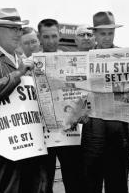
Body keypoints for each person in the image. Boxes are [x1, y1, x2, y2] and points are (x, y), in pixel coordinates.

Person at [0, 8, 44, 193]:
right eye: (11, 28)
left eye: (19, 29)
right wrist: (19, 73)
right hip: (5, 144)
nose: (17, 33)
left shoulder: (22, 59)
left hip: (30, 140)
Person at [80, 11, 129, 193]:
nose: (106, 37)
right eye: (102, 33)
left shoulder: (126, 57)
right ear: (94, 34)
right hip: (93, 128)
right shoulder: (84, 59)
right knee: (91, 181)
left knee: (118, 182)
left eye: (110, 33)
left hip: (120, 129)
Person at [37, 18, 83, 193]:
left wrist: (82, 113)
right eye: (46, 37)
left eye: (54, 36)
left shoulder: (71, 60)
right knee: (43, 181)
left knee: (73, 178)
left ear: (60, 36)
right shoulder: (32, 62)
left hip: (68, 129)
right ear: (39, 37)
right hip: (43, 131)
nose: (50, 41)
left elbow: (82, 91)